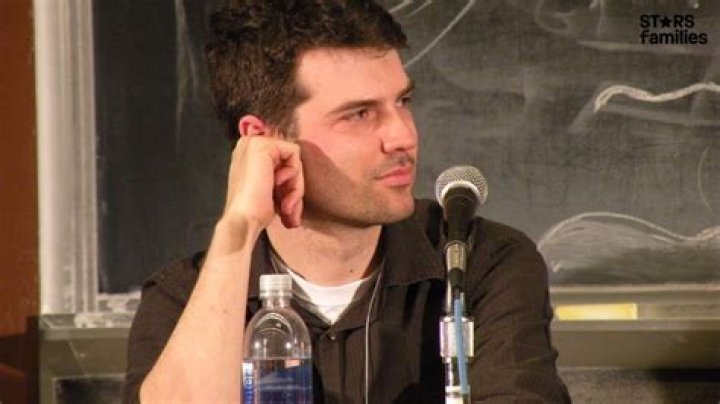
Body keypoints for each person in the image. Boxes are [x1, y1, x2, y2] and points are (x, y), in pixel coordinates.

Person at [123, 1, 571, 403]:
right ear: (263, 139)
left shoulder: (479, 263)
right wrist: (237, 229)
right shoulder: (184, 299)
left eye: (403, 101)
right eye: (359, 114)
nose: (403, 135)